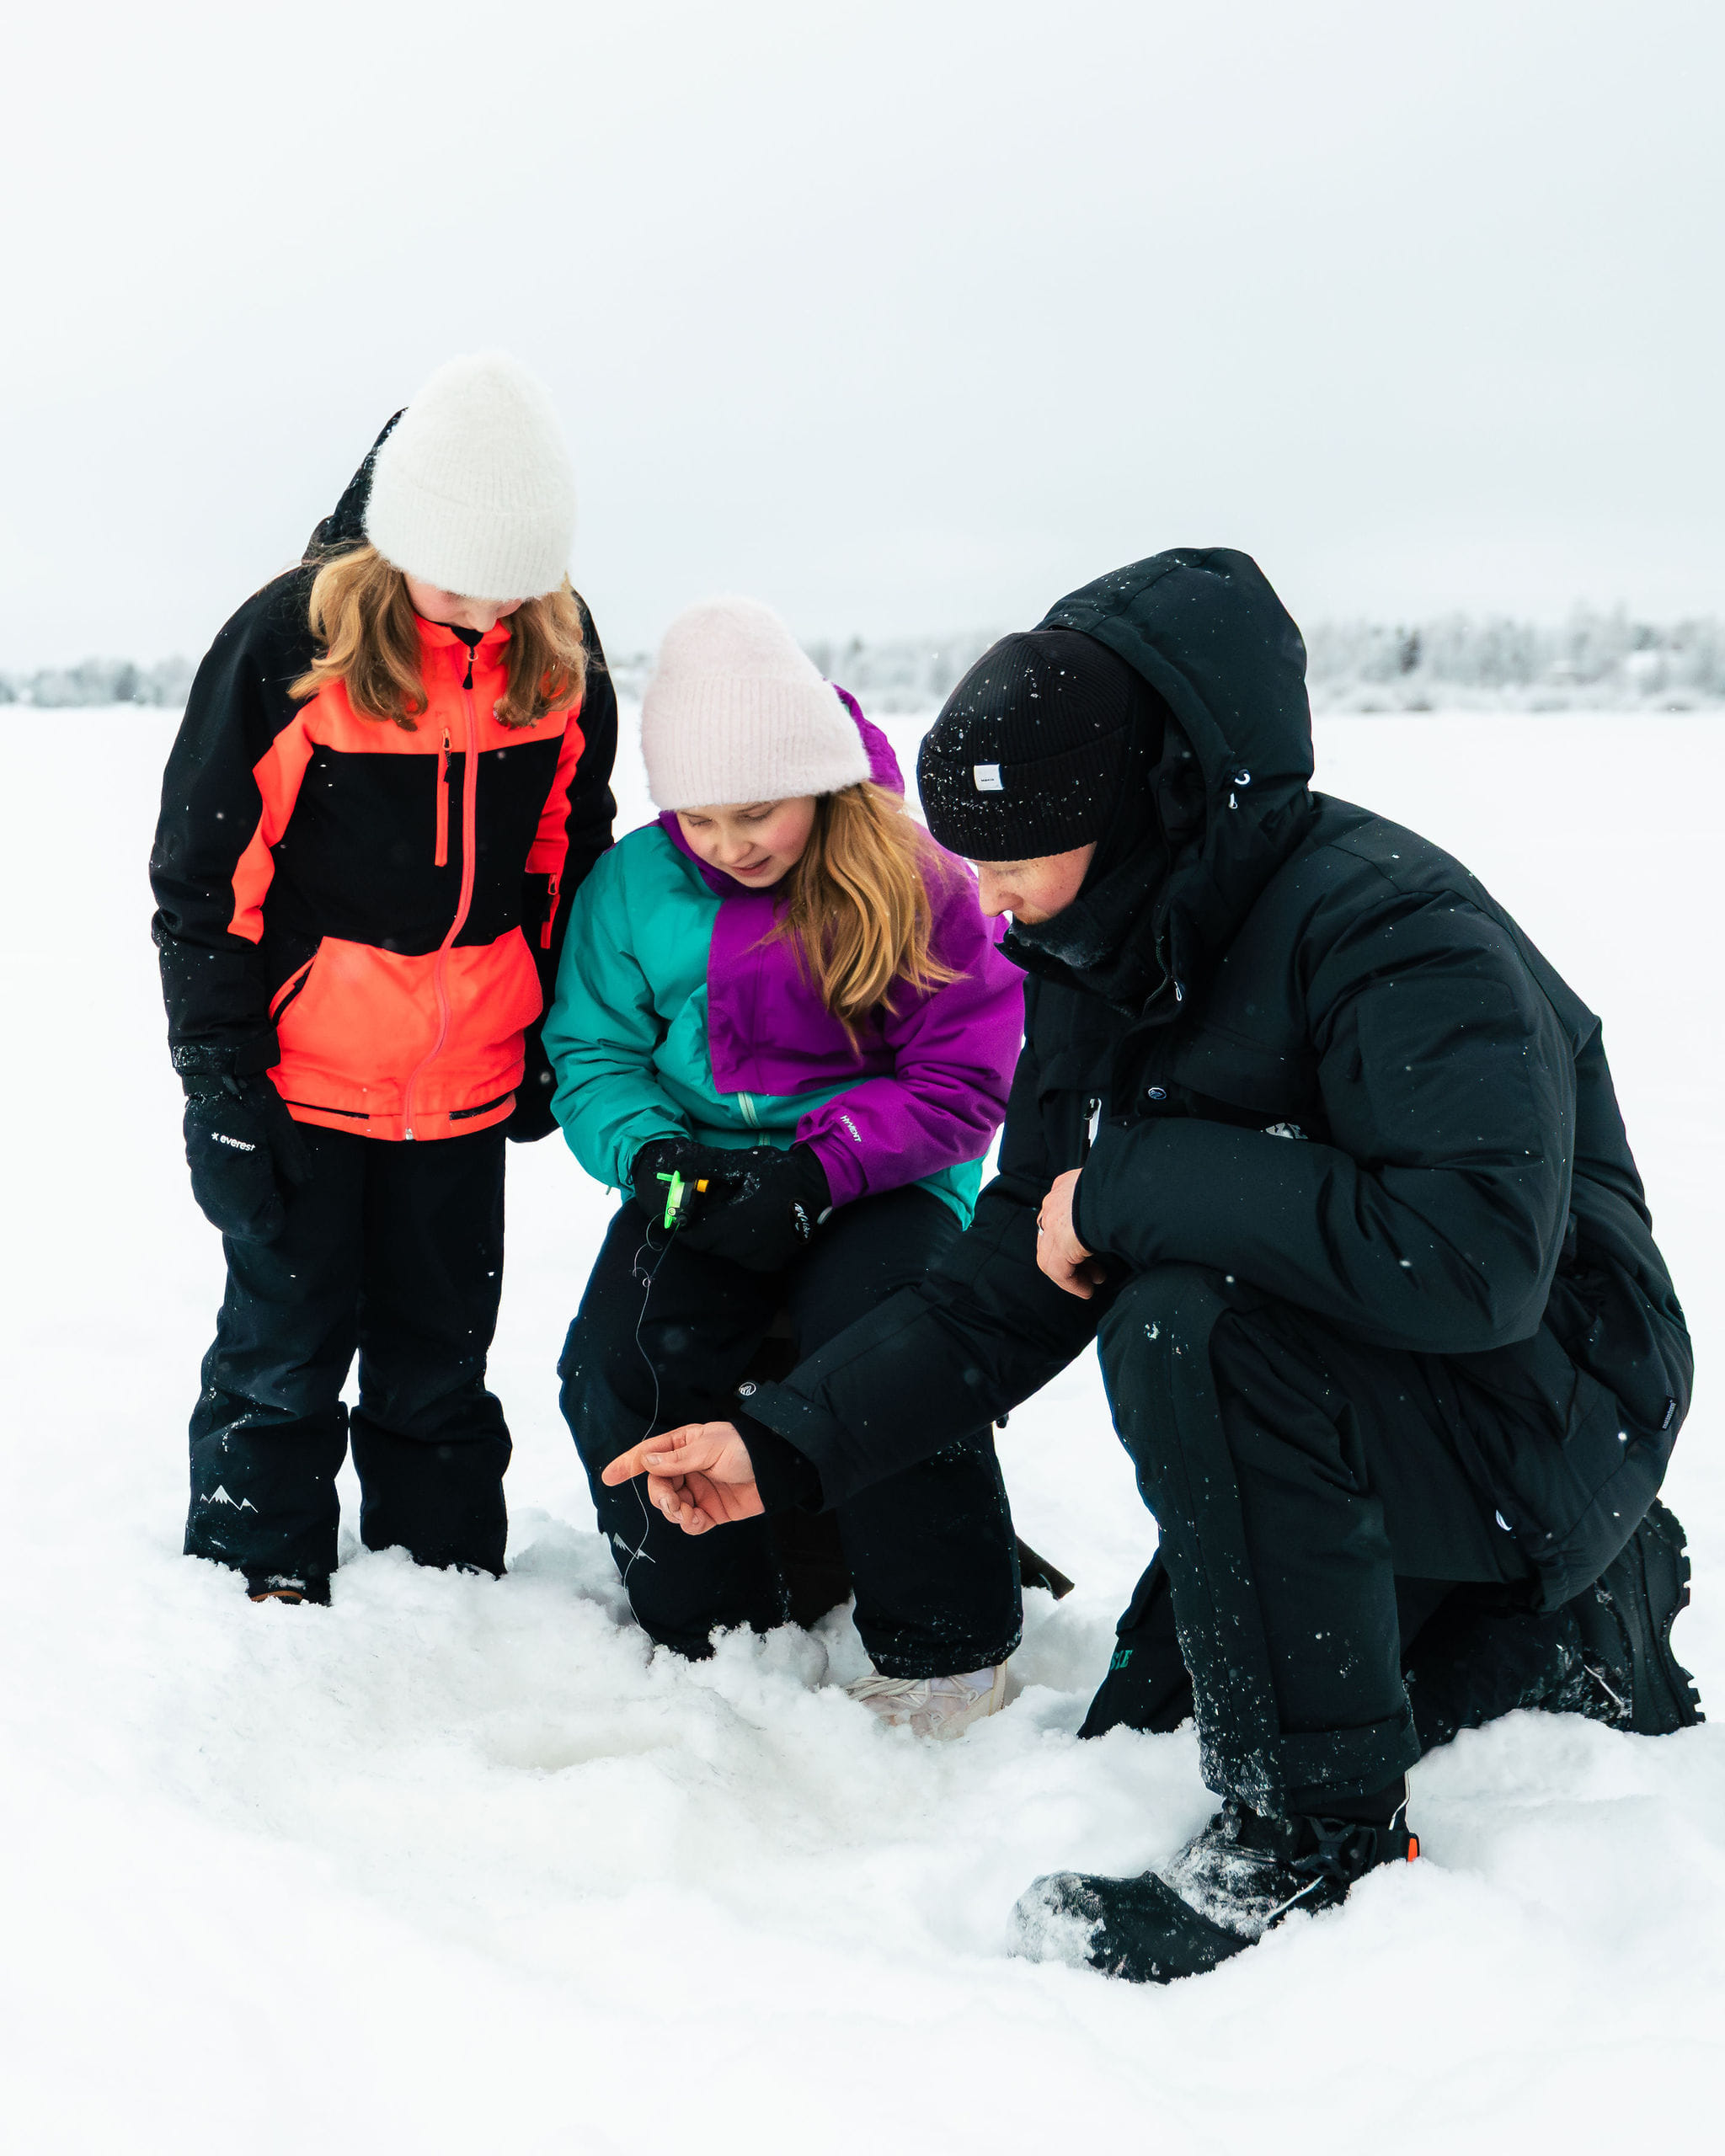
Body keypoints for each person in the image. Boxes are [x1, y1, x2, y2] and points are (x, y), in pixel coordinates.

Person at [601, 548, 1698, 1974]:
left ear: (1124, 816)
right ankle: (1548, 1623)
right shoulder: (1105, 952)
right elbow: (1012, 1275)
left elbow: (1472, 1262)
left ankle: (1311, 1847)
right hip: (1386, 1381)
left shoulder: (1397, 935)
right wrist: (786, 1444)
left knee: (1187, 1323)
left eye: (1007, 863)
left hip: (1553, 1399)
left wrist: (1129, 1187)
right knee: (1154, 1711)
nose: (983, 906)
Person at [151, 351, 617, 1605]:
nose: (485, 617)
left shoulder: (559, 659)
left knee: (438, 1354)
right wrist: (221, 1085)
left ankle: (447, 1582)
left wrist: (551, 1042)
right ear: (398, 540)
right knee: (283, 1348)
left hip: (464, 1083)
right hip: (300, 1082)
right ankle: (262, 1584)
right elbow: (205, 885)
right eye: (462, 584)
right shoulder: (285, 646)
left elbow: (567, 856)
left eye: (517, 590)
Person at [545, 596, 1027, 1734]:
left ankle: (949, 1647)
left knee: (893, 1346)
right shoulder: (631, 887)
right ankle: (713, 1636)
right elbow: (594, 1051)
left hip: (877, 1180)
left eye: (757, 812)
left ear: (817, 780)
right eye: (697, 820)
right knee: (624, 1360)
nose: (728, 844)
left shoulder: (918, 879)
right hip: (699, 1175)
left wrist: (816, 1174)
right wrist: (656, 1160)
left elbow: (962, 1082)